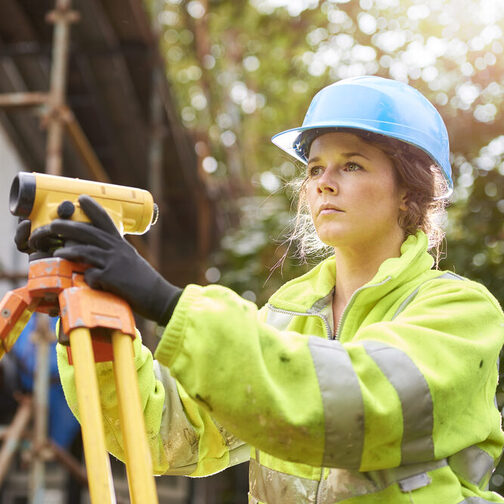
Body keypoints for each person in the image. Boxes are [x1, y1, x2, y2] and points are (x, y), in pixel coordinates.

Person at [19, 76, 504, 503]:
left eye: (351, 165)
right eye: (315, 168)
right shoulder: (286, 314)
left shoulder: (460, 312)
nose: (324, 184)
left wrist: (167, 303)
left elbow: (356, 407)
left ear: (409, 192)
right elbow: (168, 434)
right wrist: (91, 308)